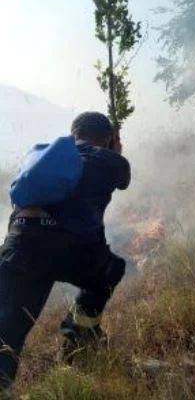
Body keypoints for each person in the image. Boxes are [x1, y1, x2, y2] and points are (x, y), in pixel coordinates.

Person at [0, 112, 130, 388]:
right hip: (73, 249)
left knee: (7, 332)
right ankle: (78, 341)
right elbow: (123, 180)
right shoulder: (107, 158)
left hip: (21, 242)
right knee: (109, 271)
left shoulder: (43, 159)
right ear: (106, 138)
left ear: (73, 133)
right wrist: (115, 151)